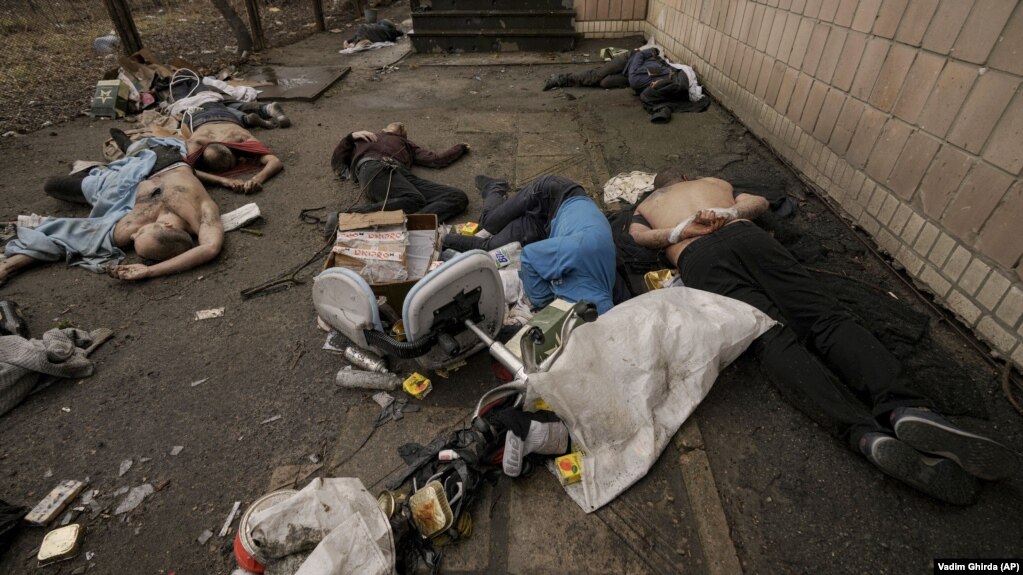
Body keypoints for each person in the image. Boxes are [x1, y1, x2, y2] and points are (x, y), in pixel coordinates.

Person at [628, 169, 1018, 504]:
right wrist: (724, 213)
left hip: (696, 256)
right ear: (684, 177)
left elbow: (640, 239)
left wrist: (680, 229)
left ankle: (864, 434)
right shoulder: (713, 181)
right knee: (826, 317)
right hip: (746, 235)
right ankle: (906, 409)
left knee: (770, 337)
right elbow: (759, 202)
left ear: (654, 189)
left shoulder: (644, 208)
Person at [1, 139, 223, 286]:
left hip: (116, 186)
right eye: (141, 234)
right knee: (133, 146)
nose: (134, 235)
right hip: (161, 160)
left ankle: (97, 170)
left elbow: (74, 237)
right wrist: (152, 272)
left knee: (52, 186)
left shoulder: (127, 231)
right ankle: (122, 145)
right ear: (167, 226)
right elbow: (210, 247)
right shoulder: (200, 209)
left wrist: (10, 266)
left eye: (136, 238)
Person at [330, 122, 470, 223]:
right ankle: (343, 218)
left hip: (400, 173)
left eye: (402, 129)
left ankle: (412, 224)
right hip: (374, 168)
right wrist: (349, 138)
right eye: (395, 126)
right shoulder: (367, 138)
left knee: (457, 196)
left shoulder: (408, 145)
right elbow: (337, 163)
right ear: (383, 129)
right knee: (415, 199)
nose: (400, 125)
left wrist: (460, 148)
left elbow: (436, 160)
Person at [518, 181, 616, 315]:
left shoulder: (603, 298)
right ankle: (494, 188)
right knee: (491, 226)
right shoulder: (578, 250)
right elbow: (528, 255)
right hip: (559, 197)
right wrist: (541, 303)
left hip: (571, 218)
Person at [441, 174, 587, 252]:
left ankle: (442, 239)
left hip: (544, 225)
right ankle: (495, 187)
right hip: (547, 193)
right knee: (489, 224)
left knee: (492, 246)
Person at [184, 102, 285, 195]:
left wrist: (257, 180)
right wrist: (225, 181)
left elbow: (275, 162)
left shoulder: (239, 137)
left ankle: (249, 116)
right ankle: (247, 116)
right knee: (216, 102)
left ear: (231, 152)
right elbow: (185, 169)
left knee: (201, 100)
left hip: (201, 119)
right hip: (215, 116)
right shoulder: (238, 136)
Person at [542, 47, 669, 92]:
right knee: (597, 75)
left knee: (604, 83)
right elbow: (640, 54)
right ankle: (561, 79)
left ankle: (584, 78)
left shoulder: (663, 77)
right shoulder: (656, 61)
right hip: (626, 61)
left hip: (628, 76)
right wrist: (652, 52)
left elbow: (643, 83)